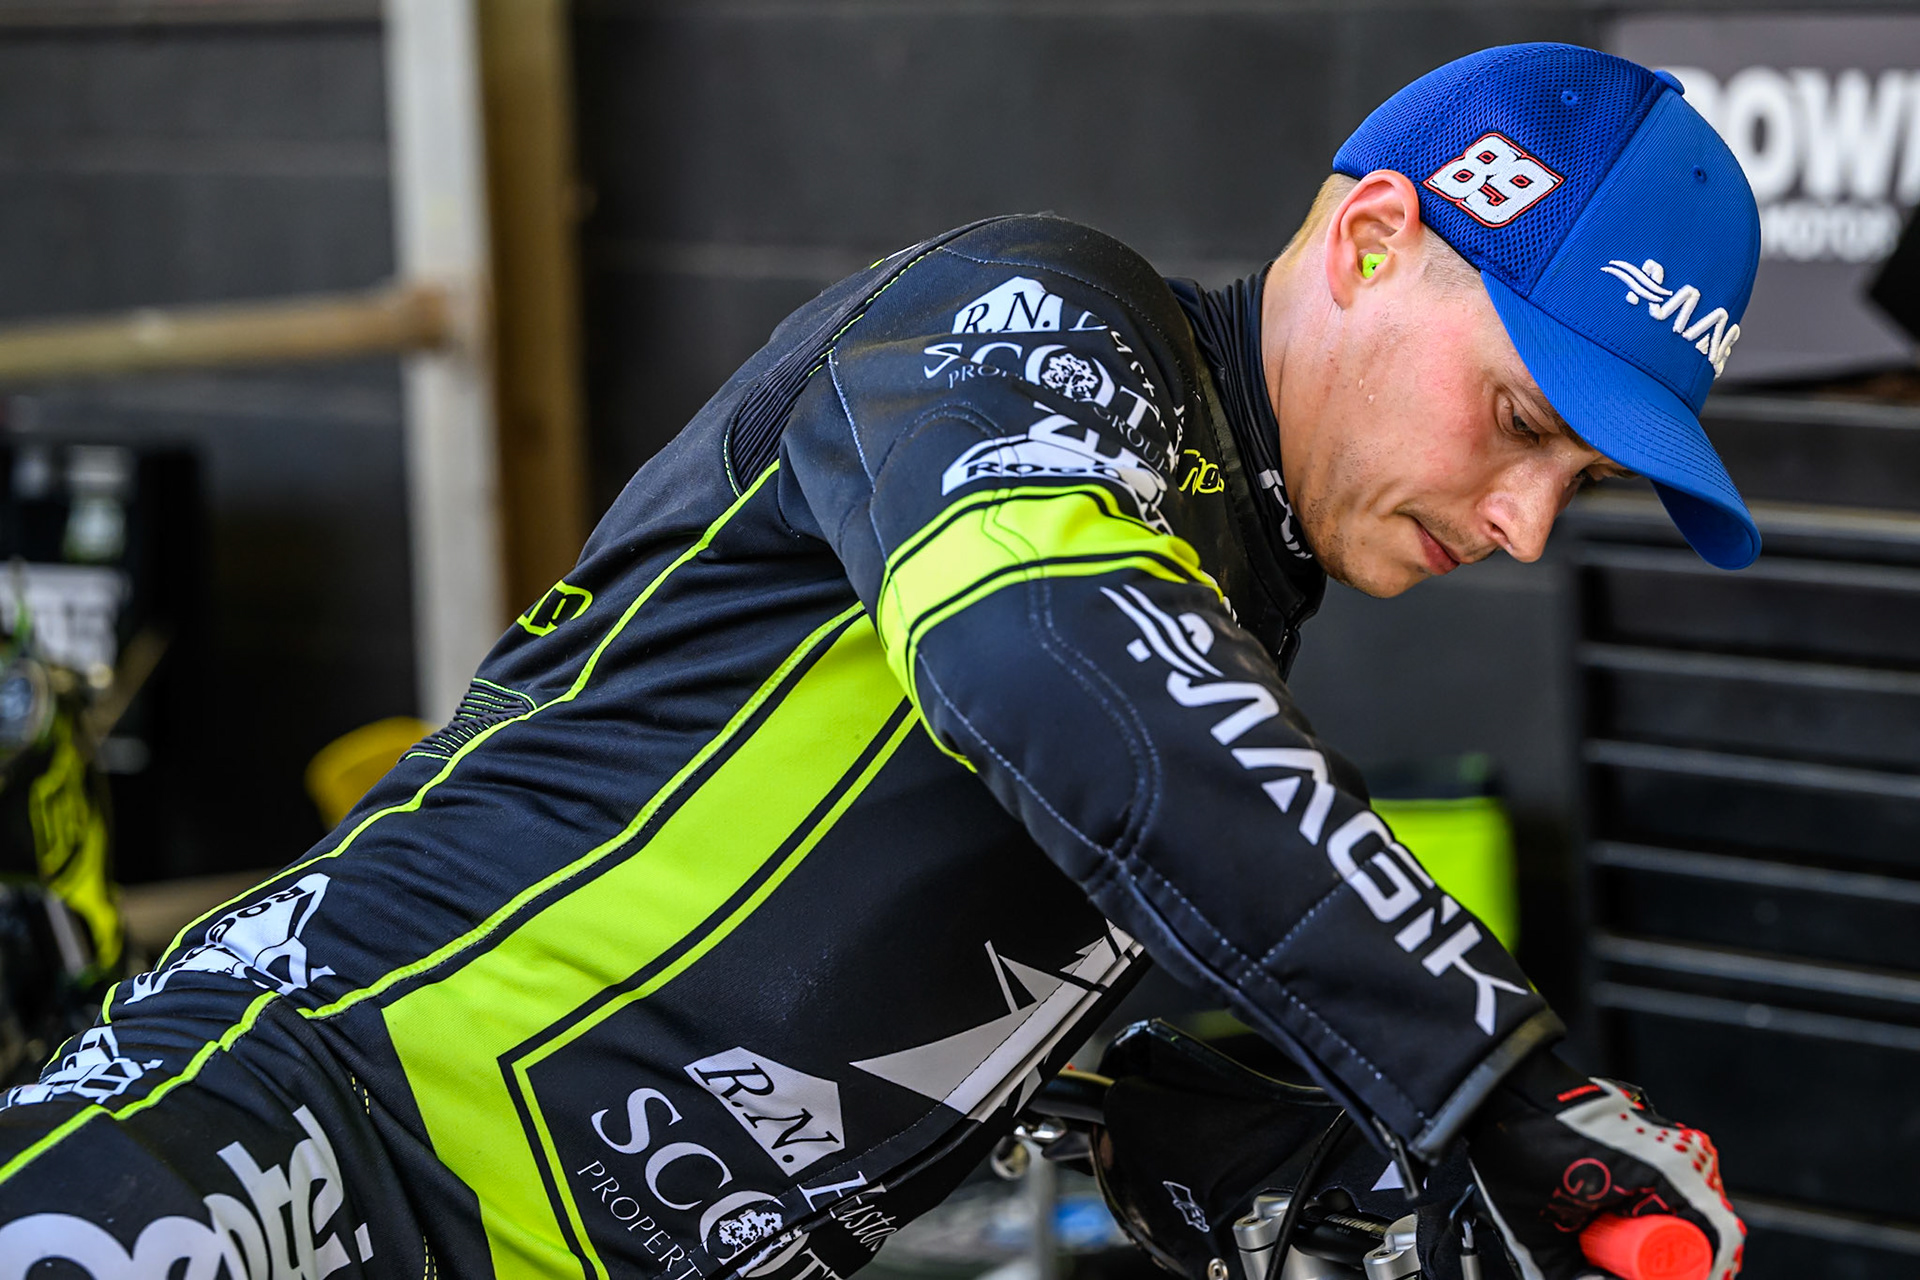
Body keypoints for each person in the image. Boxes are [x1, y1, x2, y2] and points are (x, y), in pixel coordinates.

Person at [0, 43, 1750, 1280]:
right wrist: (1492, 1079)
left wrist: (1216, 1142)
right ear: (1372, 240)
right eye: (1519, 418)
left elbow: (834, 947)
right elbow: (1055, 668)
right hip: (297, 1138)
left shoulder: (1218, 605)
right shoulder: (1052, 321)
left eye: (1574, 483)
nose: (1526, 523)